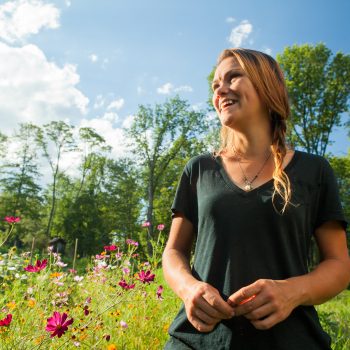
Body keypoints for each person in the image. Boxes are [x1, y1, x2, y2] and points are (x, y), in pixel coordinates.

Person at [162, 48, 350, 350]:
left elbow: (339, 264)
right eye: (215, 85)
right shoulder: (199, 169)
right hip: (197, 341)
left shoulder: (314, 171)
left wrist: (293, 291)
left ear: (267, 86)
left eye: (234, 77)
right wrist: (189, 288)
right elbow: (173, 251)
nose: (220, 89)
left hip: (292, 342)